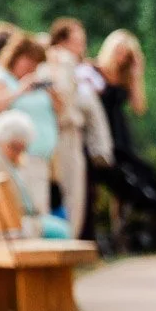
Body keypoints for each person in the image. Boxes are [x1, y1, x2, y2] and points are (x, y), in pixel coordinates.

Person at [47, 17, 114, 239]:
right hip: (66, 133)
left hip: (60, 134)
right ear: (63, 40)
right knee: (72, 195)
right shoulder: (64, 60)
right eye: (78, 40)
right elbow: (65, 99)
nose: (82, 45)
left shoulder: (67, 62)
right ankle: (68, 245)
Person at [0, 33, 61, 218]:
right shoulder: (1, 78)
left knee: (40, 209)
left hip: (41, 158)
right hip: (17, 157)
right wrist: (20, 90)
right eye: (29, 61)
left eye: (36, 63)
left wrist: (53, 92)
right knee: (25, 211)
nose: (32, 67)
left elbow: (60, 111)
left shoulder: (37, 81)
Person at [90, 29, 148, 248]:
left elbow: (139, 108)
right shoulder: (94, 69)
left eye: (127, 54)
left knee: (122, 187)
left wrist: (137, 75)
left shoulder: (126, 77)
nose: (122, 57)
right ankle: (93, 233)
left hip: (119, 133)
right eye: (119, 52)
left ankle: (119, 234)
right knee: (94, 184)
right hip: (98, 132)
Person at [0, 109, 71, 239]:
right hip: (14, 224)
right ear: (7, 142)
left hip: (22, 220)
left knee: (61, 227)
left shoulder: (5, 159)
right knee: (61, 231)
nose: (20, 153)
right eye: (17, 148)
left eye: (23, 149)